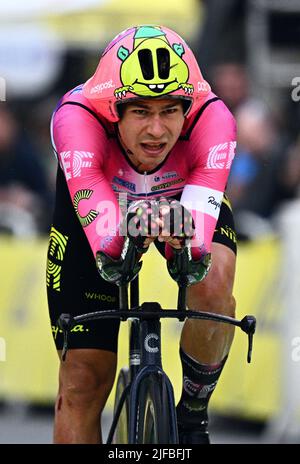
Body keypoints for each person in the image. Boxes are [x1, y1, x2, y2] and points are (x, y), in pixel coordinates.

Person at [47, 25, 237, 444]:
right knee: (81, 381)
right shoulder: (76, 118)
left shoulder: (214, 119)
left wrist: (186, 242)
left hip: (181, 195)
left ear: (188, 108)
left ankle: (192, 412)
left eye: (170, 111)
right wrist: (123, 240)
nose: (156, 130)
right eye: (140, 112)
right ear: (113, 110)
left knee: (214, 281)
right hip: (100, 202)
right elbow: (107, 245)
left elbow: (199, 252)